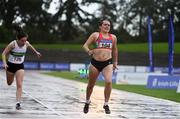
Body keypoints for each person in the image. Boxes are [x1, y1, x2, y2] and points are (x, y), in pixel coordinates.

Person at [82, 19, 118, 114]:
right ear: (100, 26)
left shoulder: (113, 37)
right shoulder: (95, 35)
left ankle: (106, 104)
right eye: (105, 25)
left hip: (108, 63)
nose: (107, 26)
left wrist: (115, 62)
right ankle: (87, 101)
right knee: (90, 85)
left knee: (109, 82)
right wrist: (89, 51)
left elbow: (114, 50)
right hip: (95, 63)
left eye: (109, 25)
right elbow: (85, 46)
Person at [1, 25, 41, 110]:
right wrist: (4, 63)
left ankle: (18, 103)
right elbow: (3, 54)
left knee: (19, 84)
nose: (24, 42)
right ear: (18, 39)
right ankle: (11, 78)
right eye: (22, 41)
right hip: (10, 65)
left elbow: (30, 46)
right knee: (9, 83)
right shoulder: (13, 44)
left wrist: (36, 52)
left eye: (25, 40)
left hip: (20, 66)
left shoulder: (26, 43)